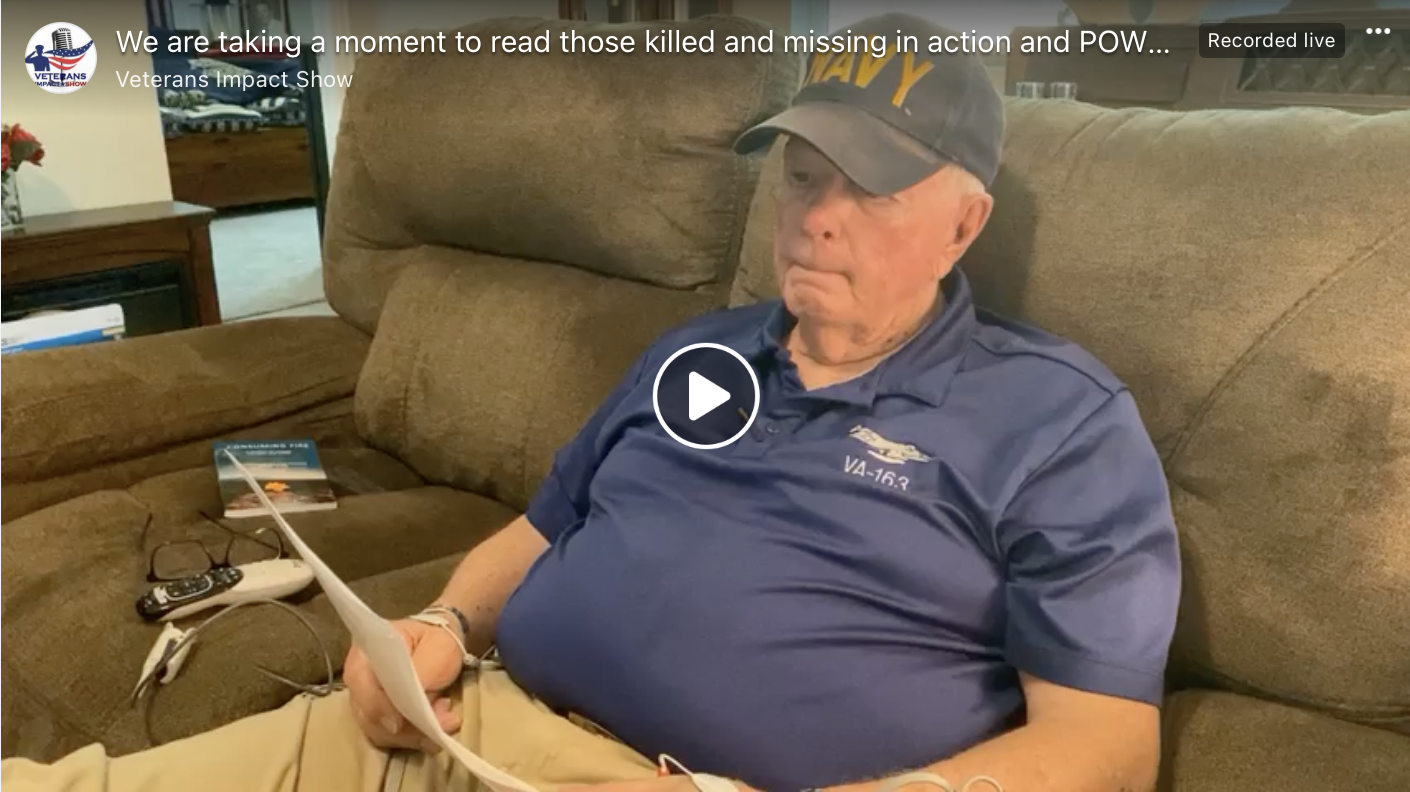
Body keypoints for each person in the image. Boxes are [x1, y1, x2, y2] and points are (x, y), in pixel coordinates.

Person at [0, 12, 1179, 792]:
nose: (819, 218)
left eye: (871, 190)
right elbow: (545, 525)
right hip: (470, 731)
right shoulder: (702, 351)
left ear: (965, 224)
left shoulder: (1057, 423)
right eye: (804, 176)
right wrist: (439, 627)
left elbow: (1109, 743)